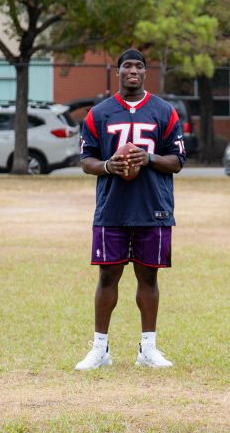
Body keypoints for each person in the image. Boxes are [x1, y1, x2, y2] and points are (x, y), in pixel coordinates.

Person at [74, 49, 186, 371]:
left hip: (153, 206)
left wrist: (147, 158)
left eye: (139, 66)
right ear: (117, 71)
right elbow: (86, 161)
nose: (133, 71)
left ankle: (147, 348)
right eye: (127, 66)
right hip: (113, 207)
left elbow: (177, 161)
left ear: (146, 73)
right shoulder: (99, 113)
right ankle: (100, 349)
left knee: (148, 277)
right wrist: (110, 164)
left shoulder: (165, 111)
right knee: (107, 275)